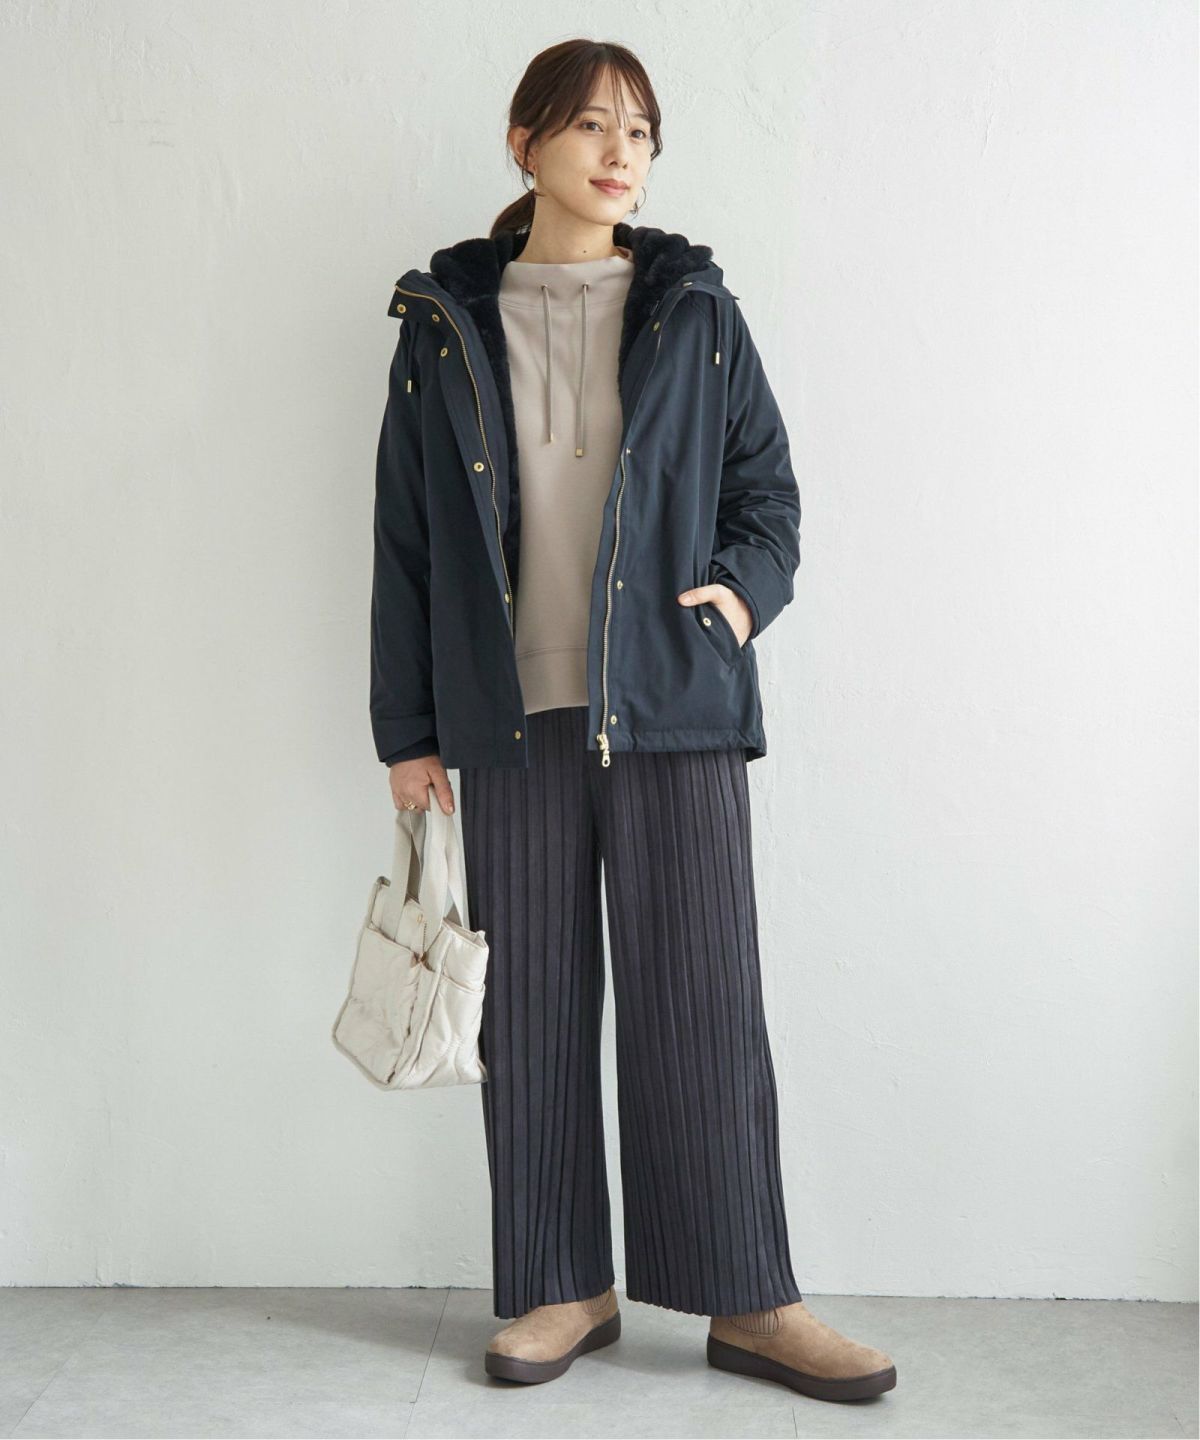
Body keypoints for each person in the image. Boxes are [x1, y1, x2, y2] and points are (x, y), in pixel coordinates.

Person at [370, 38, 897, 1403]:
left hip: (673, 706)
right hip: (509, 722)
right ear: (526, 140)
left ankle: (751, 1298)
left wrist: (741, 598)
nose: (622, 154)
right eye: (594, 125)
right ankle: (564, 1286)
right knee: (534, 1017)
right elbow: (407, 541)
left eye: (643, 132)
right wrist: (406, 731)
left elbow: (767, 493)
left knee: (702, 1009)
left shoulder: (695, 313)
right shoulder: (443, 326)